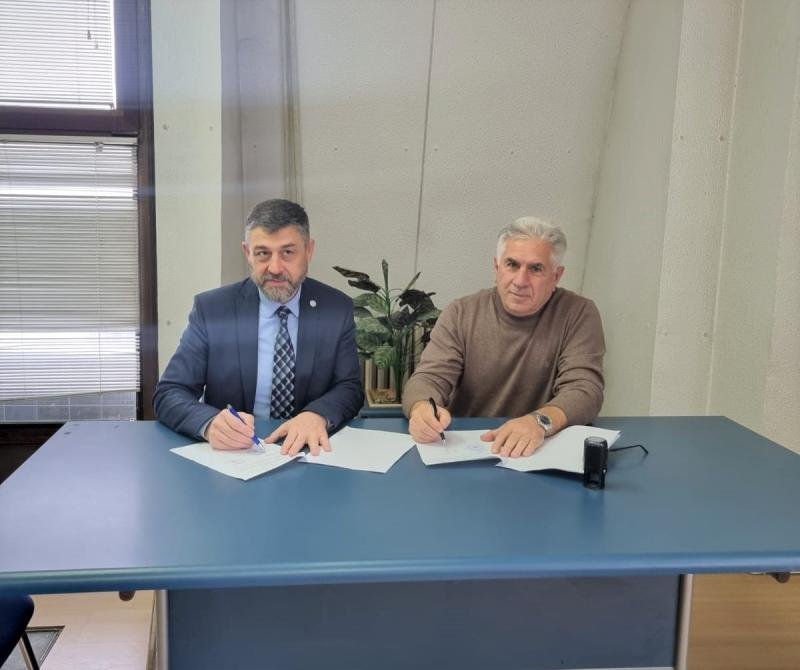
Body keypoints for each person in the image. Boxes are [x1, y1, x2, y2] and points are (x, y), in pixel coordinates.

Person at [154, 199, 363, 455]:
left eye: (288, 252)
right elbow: (170, 392)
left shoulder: (336, 309)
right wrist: (209, 424)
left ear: (309, 251)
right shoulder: (212, 310)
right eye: (263, 253)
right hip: (236, 455)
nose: (275, 268)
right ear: (247, 253)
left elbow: (349, 388)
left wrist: (317, 414)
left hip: (310, 453)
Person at [403, 216, 604, 457]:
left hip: (539, 450)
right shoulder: (461, 312)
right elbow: (429, 378)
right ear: (497, 267)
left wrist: (538, 422)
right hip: (467, 449)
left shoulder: (578, 313)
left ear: (556, 276)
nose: (520, 281)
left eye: (536, 269)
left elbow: (584, 390)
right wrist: (421, 409)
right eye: (512, 265)